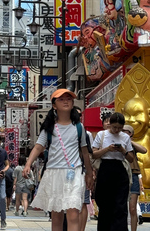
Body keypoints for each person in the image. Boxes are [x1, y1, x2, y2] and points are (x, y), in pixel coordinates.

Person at [23, 89, 94, 231]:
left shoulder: (79, 127)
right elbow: (38, 147)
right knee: (56, 215)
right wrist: (28, 164)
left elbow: (84, 152)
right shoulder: (49, 128)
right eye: (61, 99)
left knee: (73, 213)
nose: (66, 101)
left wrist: (89, 173)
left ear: (73, 103)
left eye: (69, 98)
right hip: (54, 173)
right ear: (54, 105)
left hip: (74, 172)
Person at [92, 112, 134, 231]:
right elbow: (94, 154)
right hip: (105, 168)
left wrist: (122, 150)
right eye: (114, 127)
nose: (117, 130)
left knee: (120, 205)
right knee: (104, 204)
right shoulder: (102, 135)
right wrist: (107, 149)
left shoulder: (125, 137)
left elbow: (131, 158)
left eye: (120, 128)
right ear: (109, 124)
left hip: (119, 169)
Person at [122, 124, 147, 231]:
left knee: (132, 208)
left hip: (133, 174)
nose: (122, 132)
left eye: (125, 131)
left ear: (130, 133)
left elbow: (144, 150)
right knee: (121, 207)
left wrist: (129, 141)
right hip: (121, 174)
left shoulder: (132, 144)